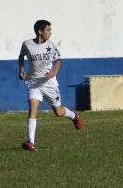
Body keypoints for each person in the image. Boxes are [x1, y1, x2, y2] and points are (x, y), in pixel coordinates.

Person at [19, 19, 83, 151]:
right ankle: (31, 142)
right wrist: (21, 69)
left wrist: (54, 71)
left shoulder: (51, 45)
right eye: (48, 30)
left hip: (49, 84)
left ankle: (74, 115)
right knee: (32, 110)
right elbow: (21, 56)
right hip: (34, 83)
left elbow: (58, 60)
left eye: (50, 30)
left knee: (58, 112)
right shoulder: (27, 44)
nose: (50, 33)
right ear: (40, 31)